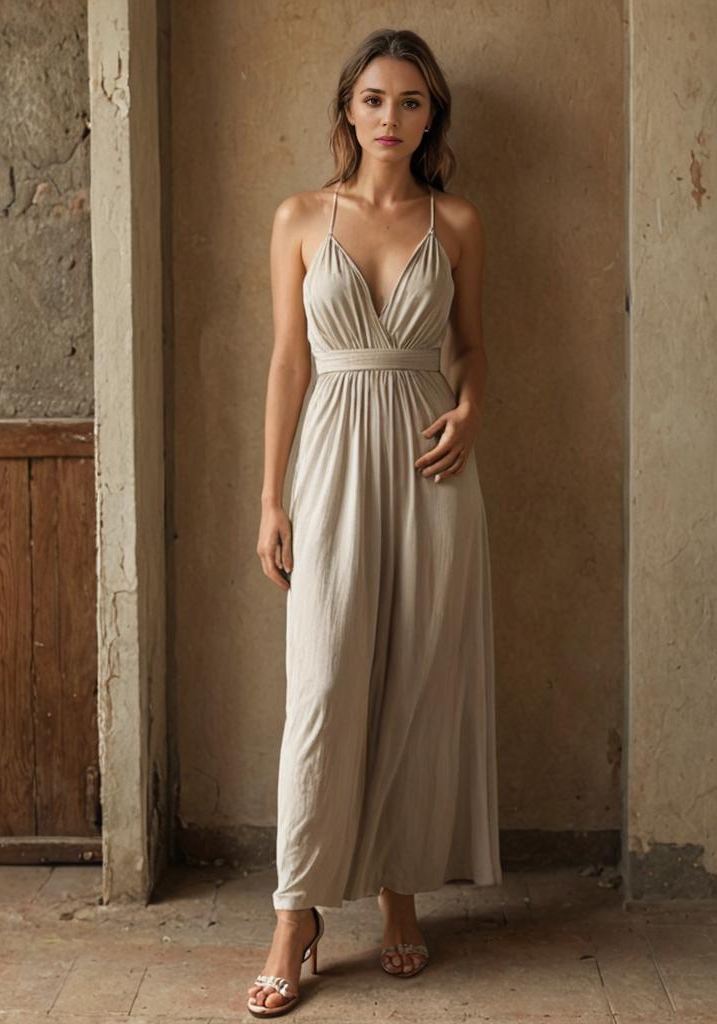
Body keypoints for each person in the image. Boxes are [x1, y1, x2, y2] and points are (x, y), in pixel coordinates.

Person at [250, 27, 502, 1018]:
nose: (390, 117)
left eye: (410, 101)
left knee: (415, 681)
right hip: (330, 461)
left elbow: (474, 348)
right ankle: (294, 911)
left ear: (432, 114)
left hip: (433, 465)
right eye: (373, 99)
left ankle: (400, 895)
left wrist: (473, 410)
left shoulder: (462, 222)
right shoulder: (300, 217)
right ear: (346, 110)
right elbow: (286, 363)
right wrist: (269, 497)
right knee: (320, 685)